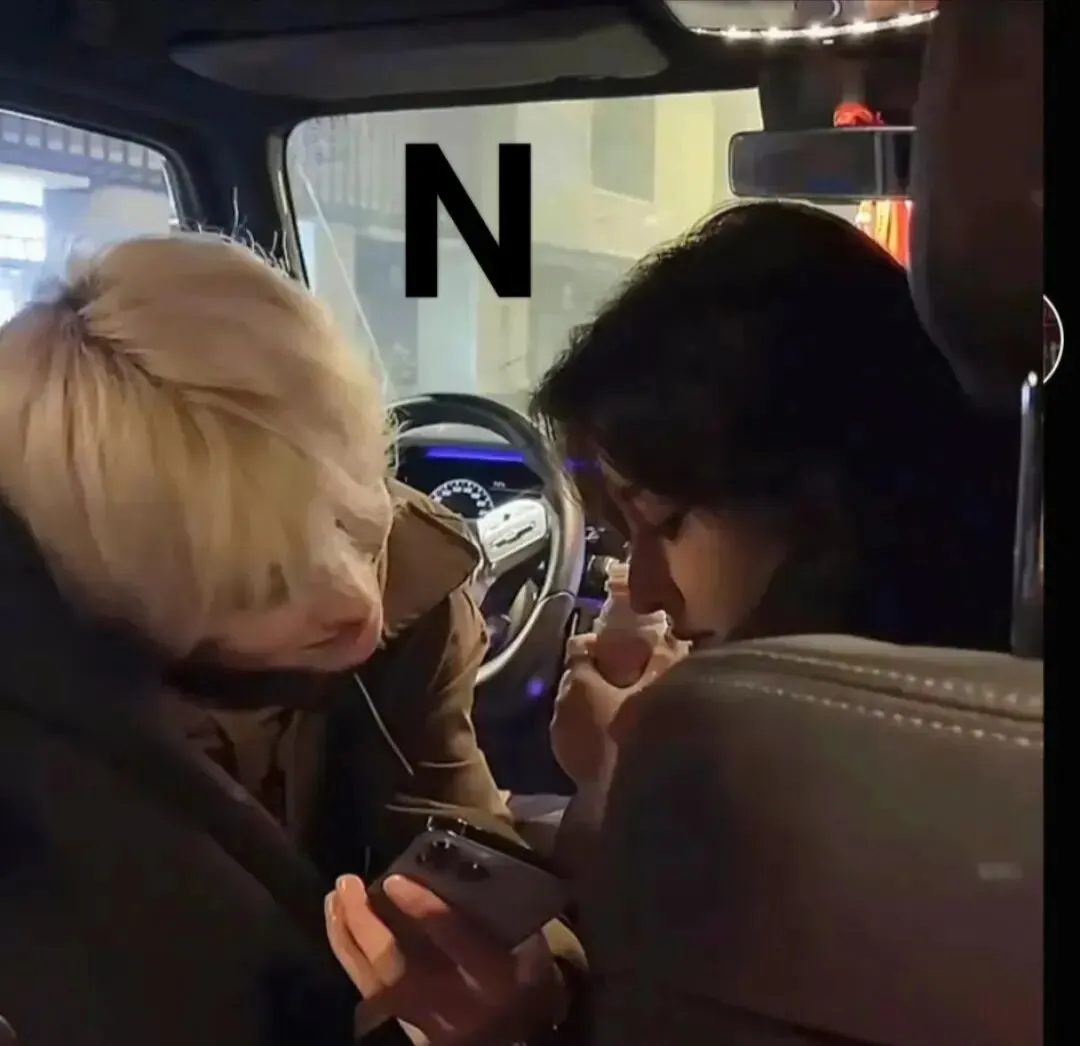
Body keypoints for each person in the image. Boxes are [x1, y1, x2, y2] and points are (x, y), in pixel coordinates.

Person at [0, 233, 581, 1046]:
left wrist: (536, 989)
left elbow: (454, 818)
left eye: (352, 511)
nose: (357, 602)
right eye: (261, 583)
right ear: (117, 595)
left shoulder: (416, 586)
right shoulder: (40, 722)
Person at [528, 199, 1020, 793]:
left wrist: (617, 772)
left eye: (666, 520)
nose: (649, 588)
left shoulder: (789, 774)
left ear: (820, 492)